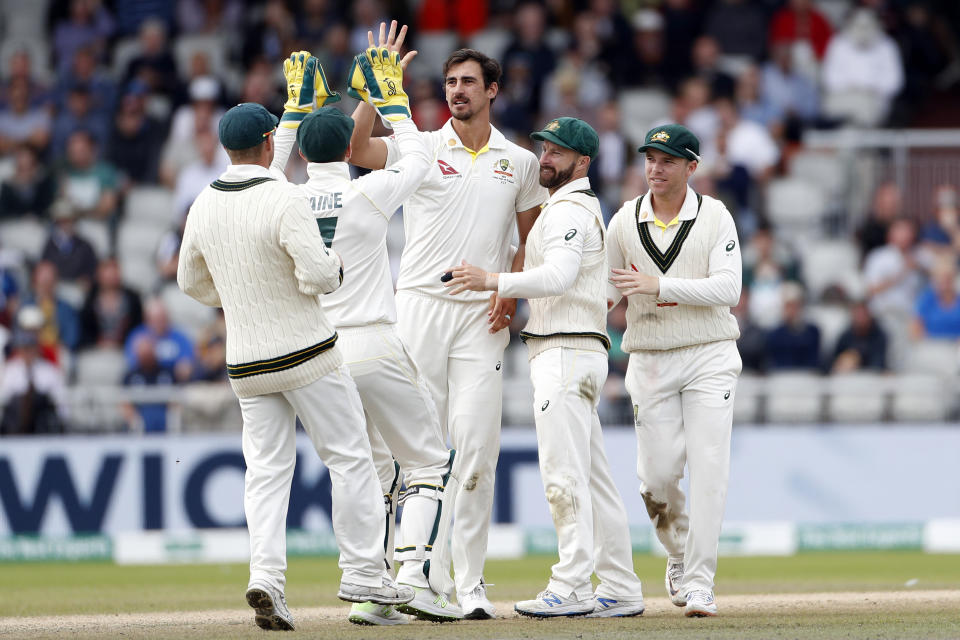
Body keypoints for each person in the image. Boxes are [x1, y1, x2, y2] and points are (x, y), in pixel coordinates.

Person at [177, 97, 413, 631]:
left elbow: (189, 282)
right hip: (307, 352)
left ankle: (267, 578)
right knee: (350, 457)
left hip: (245, 363)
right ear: (268, 145)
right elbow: (320, 276)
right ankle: (363, 575)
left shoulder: (203, 202)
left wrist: (240, 297)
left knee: (264, 474)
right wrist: (329, 270)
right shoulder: (285, 197)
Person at [348, 24, 548, 619]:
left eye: (468, 83)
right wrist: (372, 90)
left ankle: (470, 583)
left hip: (481, 317)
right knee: (410, 451)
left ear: (493, 90)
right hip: (419, 310)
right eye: (450, 82)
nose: (456, 90)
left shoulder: (520, 161)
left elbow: (529, 236)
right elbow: (356, 152)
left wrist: (510, 291)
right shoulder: (422, 148)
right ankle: (403, 581)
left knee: (478, 449)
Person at [270, 37, 463, 624]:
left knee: (366, 470)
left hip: (318, 354)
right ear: (349, 152)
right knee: (429, 463)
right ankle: (412, 580)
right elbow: (422, 159)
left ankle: (370, 592)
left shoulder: (283, 199)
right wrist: (391, 97)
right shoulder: (367, 193)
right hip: (373, 339)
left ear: (303, 152)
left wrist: (292, 112)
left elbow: (265, 171)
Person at [444, 117, 645, 618]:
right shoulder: (568, 209)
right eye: (544, 148)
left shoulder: (570, 211)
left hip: (565, 352)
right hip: (574, 349)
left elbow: (558, 275)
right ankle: (619, 585)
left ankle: (573, 584)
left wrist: (491, 281)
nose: (545, 158)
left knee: (563, 476)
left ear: (584, 162)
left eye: (557, 152)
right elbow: (597, 287)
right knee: (593, 477)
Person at [607, 124, 742, 617]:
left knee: (709, 470)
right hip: (650, 359)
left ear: (691, 167)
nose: (655, 169)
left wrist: (658, 285)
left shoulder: (715, 216)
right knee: (656, 479)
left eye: (667, 160)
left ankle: (702, 582)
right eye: (650, 159)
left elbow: (729, 289)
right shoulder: (624, 221)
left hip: (709, 353)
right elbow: (606, 291)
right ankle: (680, 553)